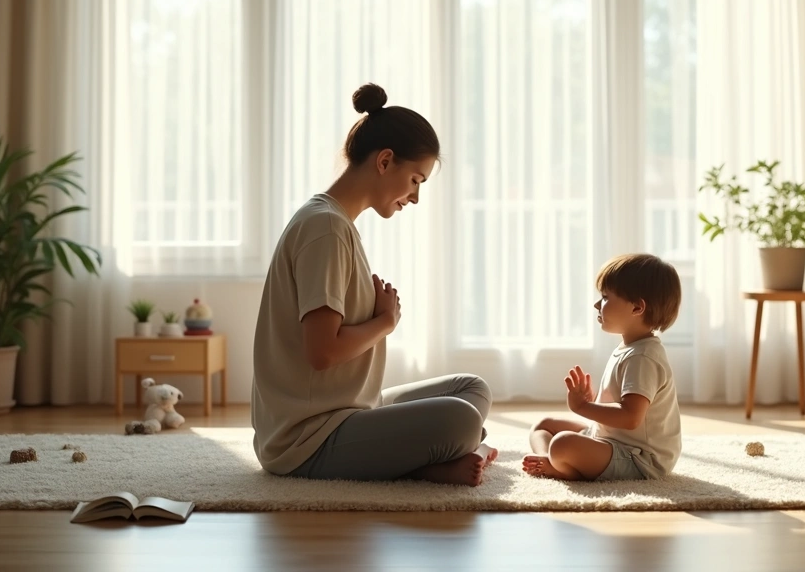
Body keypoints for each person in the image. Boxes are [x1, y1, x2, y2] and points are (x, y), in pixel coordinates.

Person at [252, 82, 496, 486]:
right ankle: (429, 461)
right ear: (385, 161)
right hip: (309, 440)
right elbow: (322, 351)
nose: (415, 197)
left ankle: (425, 459)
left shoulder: (334, 223)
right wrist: (386, 321)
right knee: (462, 419)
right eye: (416, 179)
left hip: (350, 412)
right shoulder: (325, 229)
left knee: (471, 389)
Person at [523, 253, 682, 481]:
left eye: (606, 297)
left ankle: (563, 467)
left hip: (638, 458)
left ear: (637, 308)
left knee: (562, 443)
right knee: (544, 425)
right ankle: (548, 461)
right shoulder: (631, 348)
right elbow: (623, 403)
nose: (597, 304)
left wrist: (582, 407)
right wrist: (595, 400)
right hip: (611, 440)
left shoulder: (644, 357)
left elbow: (630, 417)